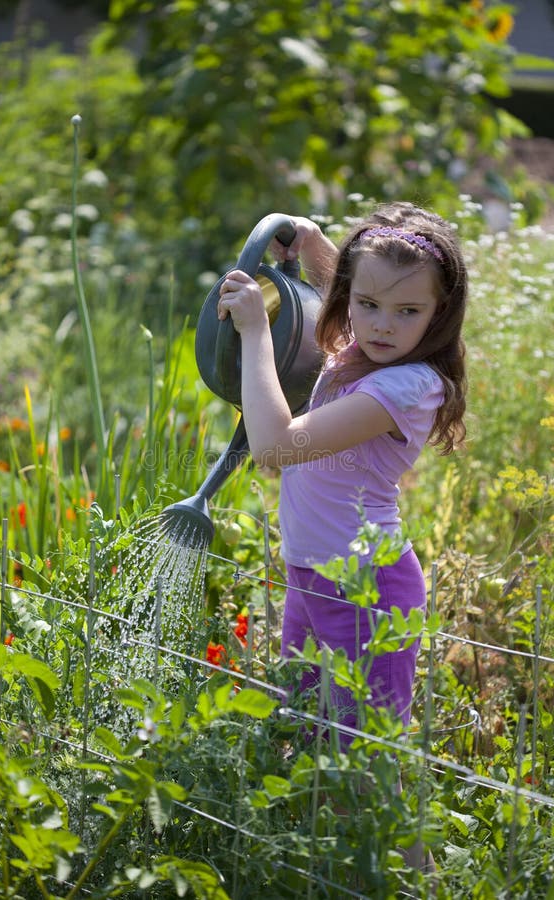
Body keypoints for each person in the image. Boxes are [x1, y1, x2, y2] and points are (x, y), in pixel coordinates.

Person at [217, 202, 467, 867]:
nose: (384, 324)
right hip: (310, 575)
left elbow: (276, 449)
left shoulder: (409, 386)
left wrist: (255, 334)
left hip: (368, 593)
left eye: (409, 312)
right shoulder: (361, 342)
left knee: (372, 766)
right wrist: (320, 242)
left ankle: (420, 881)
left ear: (438, 316)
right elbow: (358, 288)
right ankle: (333, 875)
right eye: (369, 305)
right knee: (314, 743)